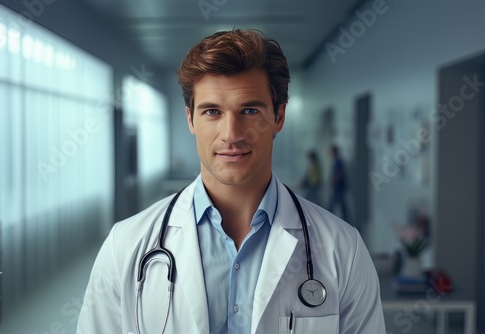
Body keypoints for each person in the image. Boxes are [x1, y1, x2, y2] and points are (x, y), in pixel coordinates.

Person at [77, 29, 385, 334]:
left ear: (278, 117)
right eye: (212, 111)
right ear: (190, 119)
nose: (231, 134)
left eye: (249, 110)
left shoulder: (343, 249)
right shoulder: (125, 246)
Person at [328, 145, 349, 222]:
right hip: (339, 187)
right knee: (342, 206)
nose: (330, 154)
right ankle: (347, 221)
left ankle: (329, 220)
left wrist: (333, 183)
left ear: (335, 152)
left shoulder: (338, 162)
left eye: (331, 152)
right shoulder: (337, 161)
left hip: (338, 187)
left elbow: (339, 174)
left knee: (331, 205)